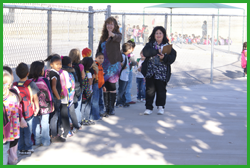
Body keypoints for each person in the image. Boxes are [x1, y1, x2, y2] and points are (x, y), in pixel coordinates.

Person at [142, 26, 177, 115]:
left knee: (161, 90)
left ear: (163, 35)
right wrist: (157, 51)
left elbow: (173, 57)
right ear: (154, 35)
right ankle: (148, 108)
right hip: (151, 72)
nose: (158, 35)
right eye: (156, 33)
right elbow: (145, 52)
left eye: (160, 33)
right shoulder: (149, 45)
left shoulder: (167, 46)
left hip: (162, 73)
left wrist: (164, 57)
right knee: (149, 91)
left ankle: (160, 107)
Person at [96, 16, 123, 116]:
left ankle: (112, 108)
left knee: (112, 86)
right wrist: (96, 60)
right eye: (108, 24)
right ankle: (106, 108)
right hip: (104, 65)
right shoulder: (103, 37)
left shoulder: (117, 35)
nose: (110, 26)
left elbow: (118, 38)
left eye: (111, 24)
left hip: (113, 65)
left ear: (115, 25)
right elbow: (99, 50)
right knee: (105, 86)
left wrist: (112, 35)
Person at [14, 63, 40, 154]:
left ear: (16, 73)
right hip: (28, 111)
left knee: (20, 131)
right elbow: (35, 97)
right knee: (28, 130)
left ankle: (21, 148)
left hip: (17, 113)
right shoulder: (31, 83)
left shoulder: (14, 85)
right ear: (28, 73)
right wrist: (37, 107)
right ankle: (28, 147)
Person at [28, 61, 53, 146]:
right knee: (45, 123)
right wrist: (52, 104)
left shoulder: (29, 81)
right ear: (40, 71)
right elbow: (50, 92)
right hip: (46, 105)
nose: (44, 70)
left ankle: (37, 140)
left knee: (36, 123)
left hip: (34, 107)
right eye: (43, 69)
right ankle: (46, 142)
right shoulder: (44, 80)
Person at [44, 54, 66, 142]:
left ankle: (52, 134)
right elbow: (53, 87)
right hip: (55, 98)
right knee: (54, 117)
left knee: (53, 116)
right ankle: (54, 135)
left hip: (53, 98)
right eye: (57, 64)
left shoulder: (52, 72)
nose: (59, 66)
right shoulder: (54, 74)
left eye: (60, 64)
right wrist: (58, 98)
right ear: (51, 65)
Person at [3, 70, 21, 164]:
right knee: (6, 151)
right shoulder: (13, 97)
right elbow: (15, 116)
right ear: (9, 85)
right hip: (9, 130)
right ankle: (11, 161)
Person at [61, 56, 81, 136]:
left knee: (64, 113)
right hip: (71, 96)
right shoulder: (72, 72)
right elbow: (76, 83)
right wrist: (78, 93)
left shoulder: (60, 73)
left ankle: (66, 127)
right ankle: (76, 126)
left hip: (63, 97)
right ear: (70, 64)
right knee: (72, 112)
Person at [69, 48, 85, 128]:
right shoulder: (80, 66)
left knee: (70, 106)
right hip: (78, 88)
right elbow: (83, 76)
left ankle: (70, 122)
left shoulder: (68, 66)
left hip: (70, 89)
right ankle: (77, 123)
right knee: (77, 106)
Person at [116, 42, 133, 108]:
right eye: (130, 48)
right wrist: (121, 65)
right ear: (128, 49)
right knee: (121, 90)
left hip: (125, 76)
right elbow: (118, 63)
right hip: (122, 76)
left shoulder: (125, 56)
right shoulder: (123, 56)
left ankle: (123, 101)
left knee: (124, 90)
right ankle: (119, 102)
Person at [125, 39, 137, 105]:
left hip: (126, 71)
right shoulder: (129, 54)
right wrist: (136, 62)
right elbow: (133, 63)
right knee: (128, 85)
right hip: (128, 71)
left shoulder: (123, 53)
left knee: (125, 85)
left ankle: (126, 99)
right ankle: (128, 99)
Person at [94, 52, 106, 117]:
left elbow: (102, 77)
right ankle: (96, 113)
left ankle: (101, 111)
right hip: (96, 86)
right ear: (96, 58)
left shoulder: (101, 66)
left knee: (100, 99)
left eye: (102, 58)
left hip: (100, 86)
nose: (101, 60)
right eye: (99, 58)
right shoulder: (95, 65)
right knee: (96, 100)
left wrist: (103, 86)